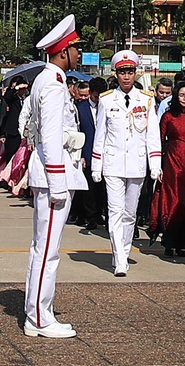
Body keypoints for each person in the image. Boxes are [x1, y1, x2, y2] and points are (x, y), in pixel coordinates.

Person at [21, 17, 88, 337]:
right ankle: (39, 316)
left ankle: (38, 311)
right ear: (64, 51)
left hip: (52, 172)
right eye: (76, 49)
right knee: (48, 250)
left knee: (45, 248)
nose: (79, 54)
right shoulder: (51, 83)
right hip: (52, 175)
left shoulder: (51, 80)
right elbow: (49, 137)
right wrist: (58, 181)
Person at [92, 50, 161, 276]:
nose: (126, 77)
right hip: (113, 163)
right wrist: (96, 164)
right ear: (116, 74)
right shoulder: (106, 99)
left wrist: (155, 164)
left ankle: (123, 250)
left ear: (135, 73)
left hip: (137, 163)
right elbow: (100, 135)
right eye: (122, 72)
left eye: (130, 72)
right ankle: (120, 260)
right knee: (115, 212)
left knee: (130, 213)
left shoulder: (146, 99)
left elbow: (152, 135)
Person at [150, 77, 185, 258]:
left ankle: (182, 243)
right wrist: (159, 166)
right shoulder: (168, 116)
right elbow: (159, 141)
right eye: (182, 95)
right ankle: (168, 241)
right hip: (171, 163)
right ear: (176, 97)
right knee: (171, 201)